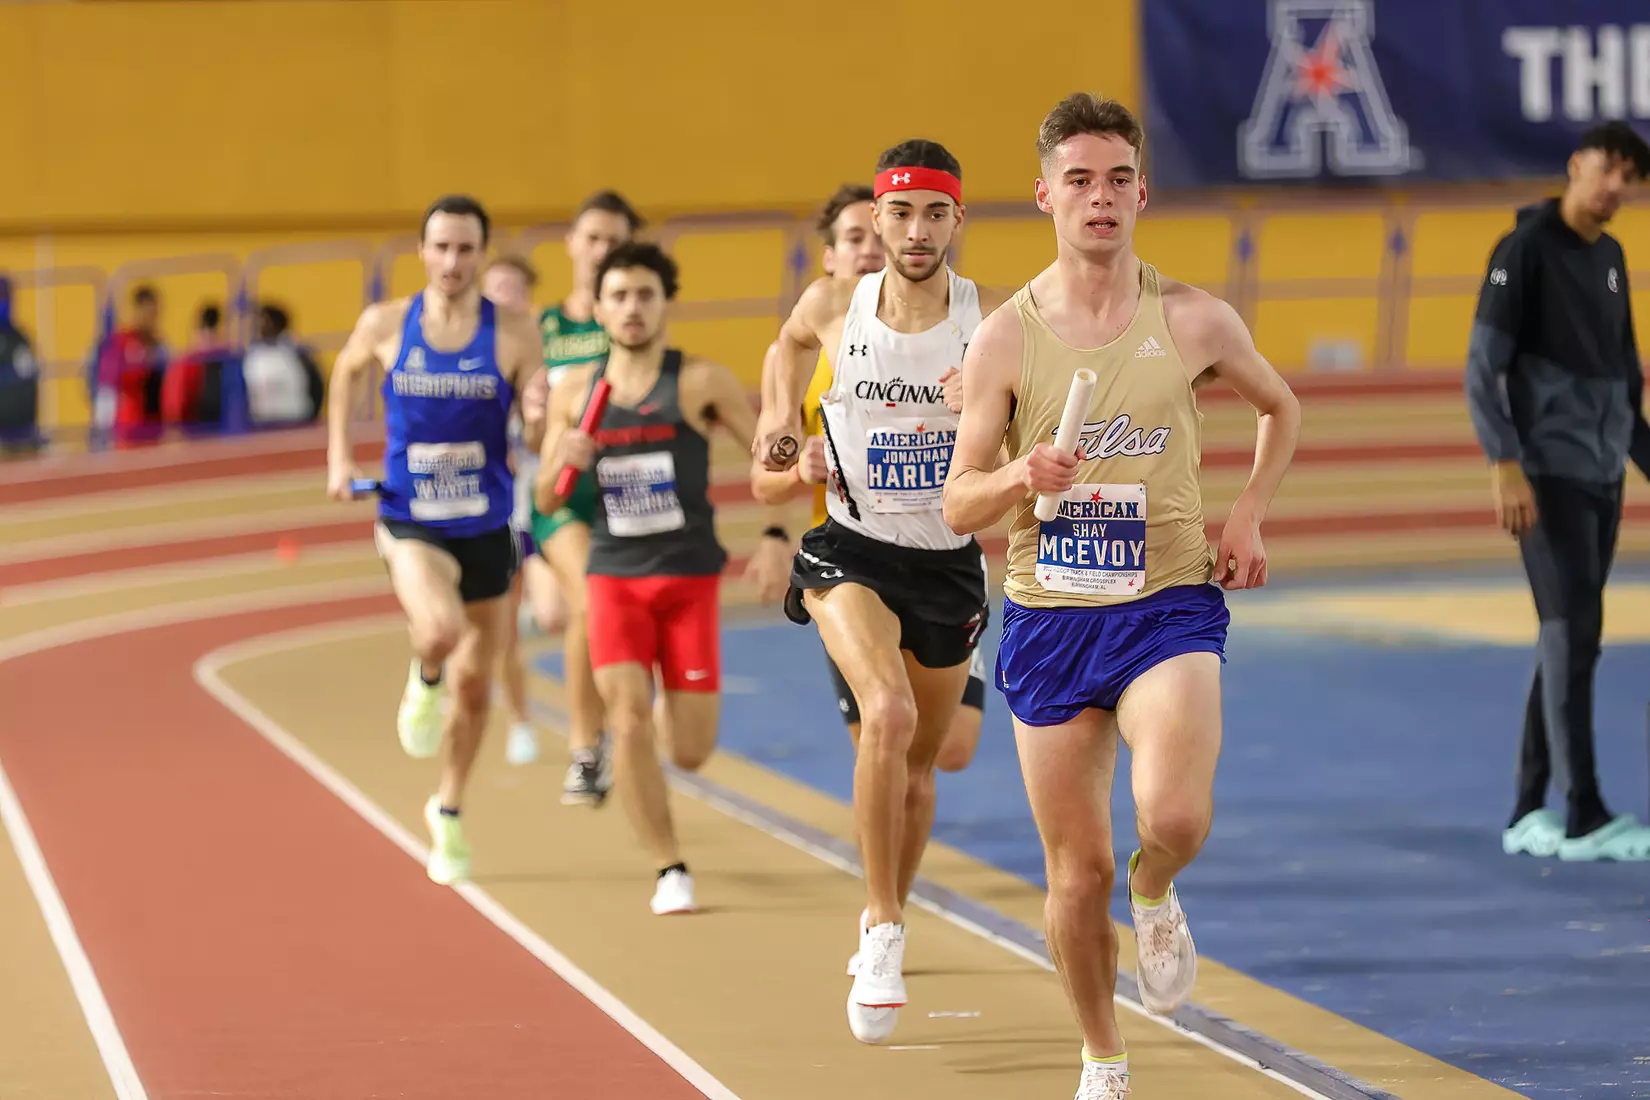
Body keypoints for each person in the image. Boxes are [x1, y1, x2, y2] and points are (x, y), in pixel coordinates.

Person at [941, 94, 1300, 1100]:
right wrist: (1021, 479)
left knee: (1173, 813)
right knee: (1075, 869)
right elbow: (958, 501)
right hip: (1050, 618)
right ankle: (1103, 1050)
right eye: (1080, 181)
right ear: (1046, 195)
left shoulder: (1190, 316)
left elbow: (1280, 405)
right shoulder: (1005, 342)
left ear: (1143, 191)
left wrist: (1248, 513)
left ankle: (1160, 886)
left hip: (1166, 605)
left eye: (1116, 181)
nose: (1099, 199)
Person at [753, 140, 1011, 1044]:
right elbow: (784, 350)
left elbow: (1039, 432)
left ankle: (891, 897)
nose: (913, 231)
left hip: (946, 564)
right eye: (897, 214)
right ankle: (883, 925)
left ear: (956, 221)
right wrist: (779, 420)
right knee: (888, 716)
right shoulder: (835, 303)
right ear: (878, 220)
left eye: (934, 213)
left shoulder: (992, 325)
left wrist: (994, 406)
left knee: (924, 764)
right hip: (848, 550)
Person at [534, 241, 758, 916]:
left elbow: (768, 461)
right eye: (619, 296)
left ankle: (665, 721)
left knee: (688, 752)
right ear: (597, 307)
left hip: (688, 580)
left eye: (645, 296)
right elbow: (545, 501)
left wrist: (788, 495)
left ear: (666, 304)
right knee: (627, 720)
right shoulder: (575, 393)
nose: (632, 309)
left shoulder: (700, 383)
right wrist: (561, 461)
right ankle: (670, 866)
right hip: (615, 577)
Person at [326, 194, 541, 887]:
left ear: (482, 254)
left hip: (487, 525)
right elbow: (346, 371)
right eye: (441, 247)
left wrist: (539, 417)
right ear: (422, 251)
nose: (452, 261)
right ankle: (423, 679)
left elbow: (537, 432)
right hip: (411, 516)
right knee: (441, 633)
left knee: (477, 690)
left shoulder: (513, 331)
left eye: (466, 249)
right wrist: (338, 457)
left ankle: (447, 809)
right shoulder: (388, 323)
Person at [1465, 120, 1650, 864]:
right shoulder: (1524, 250)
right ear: (1577, 165)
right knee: (1573, 632)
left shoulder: (1611, 258)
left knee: (1567, 636)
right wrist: (1504, 461)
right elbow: (1483, 370)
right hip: (1545, 474)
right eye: (1608, 170)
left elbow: (1624, 386)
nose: (1617, 188)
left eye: (1630, 179)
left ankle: (1526, 807)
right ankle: (1583, 812)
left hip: (1601, 472)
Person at [523, 190, 643, 806]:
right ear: (570, 243)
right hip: (562, 498)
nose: (601, 251)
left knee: (614, 613)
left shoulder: (633, 318)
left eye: (614, 241)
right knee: (587, 604)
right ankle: (585, 749)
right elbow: (521, 428)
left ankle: (622, 729)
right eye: (591, 237)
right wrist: (532, 413)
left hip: (628, 498)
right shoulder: (541, 328)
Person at [482, 255, 550, 767]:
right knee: (500, 629)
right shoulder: (470, 355)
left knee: (561, 614)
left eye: (512, 288)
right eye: (494, 288)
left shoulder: (547, 349)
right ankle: (520, 721)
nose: (502, 296)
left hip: (548, 500)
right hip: (497, 508)